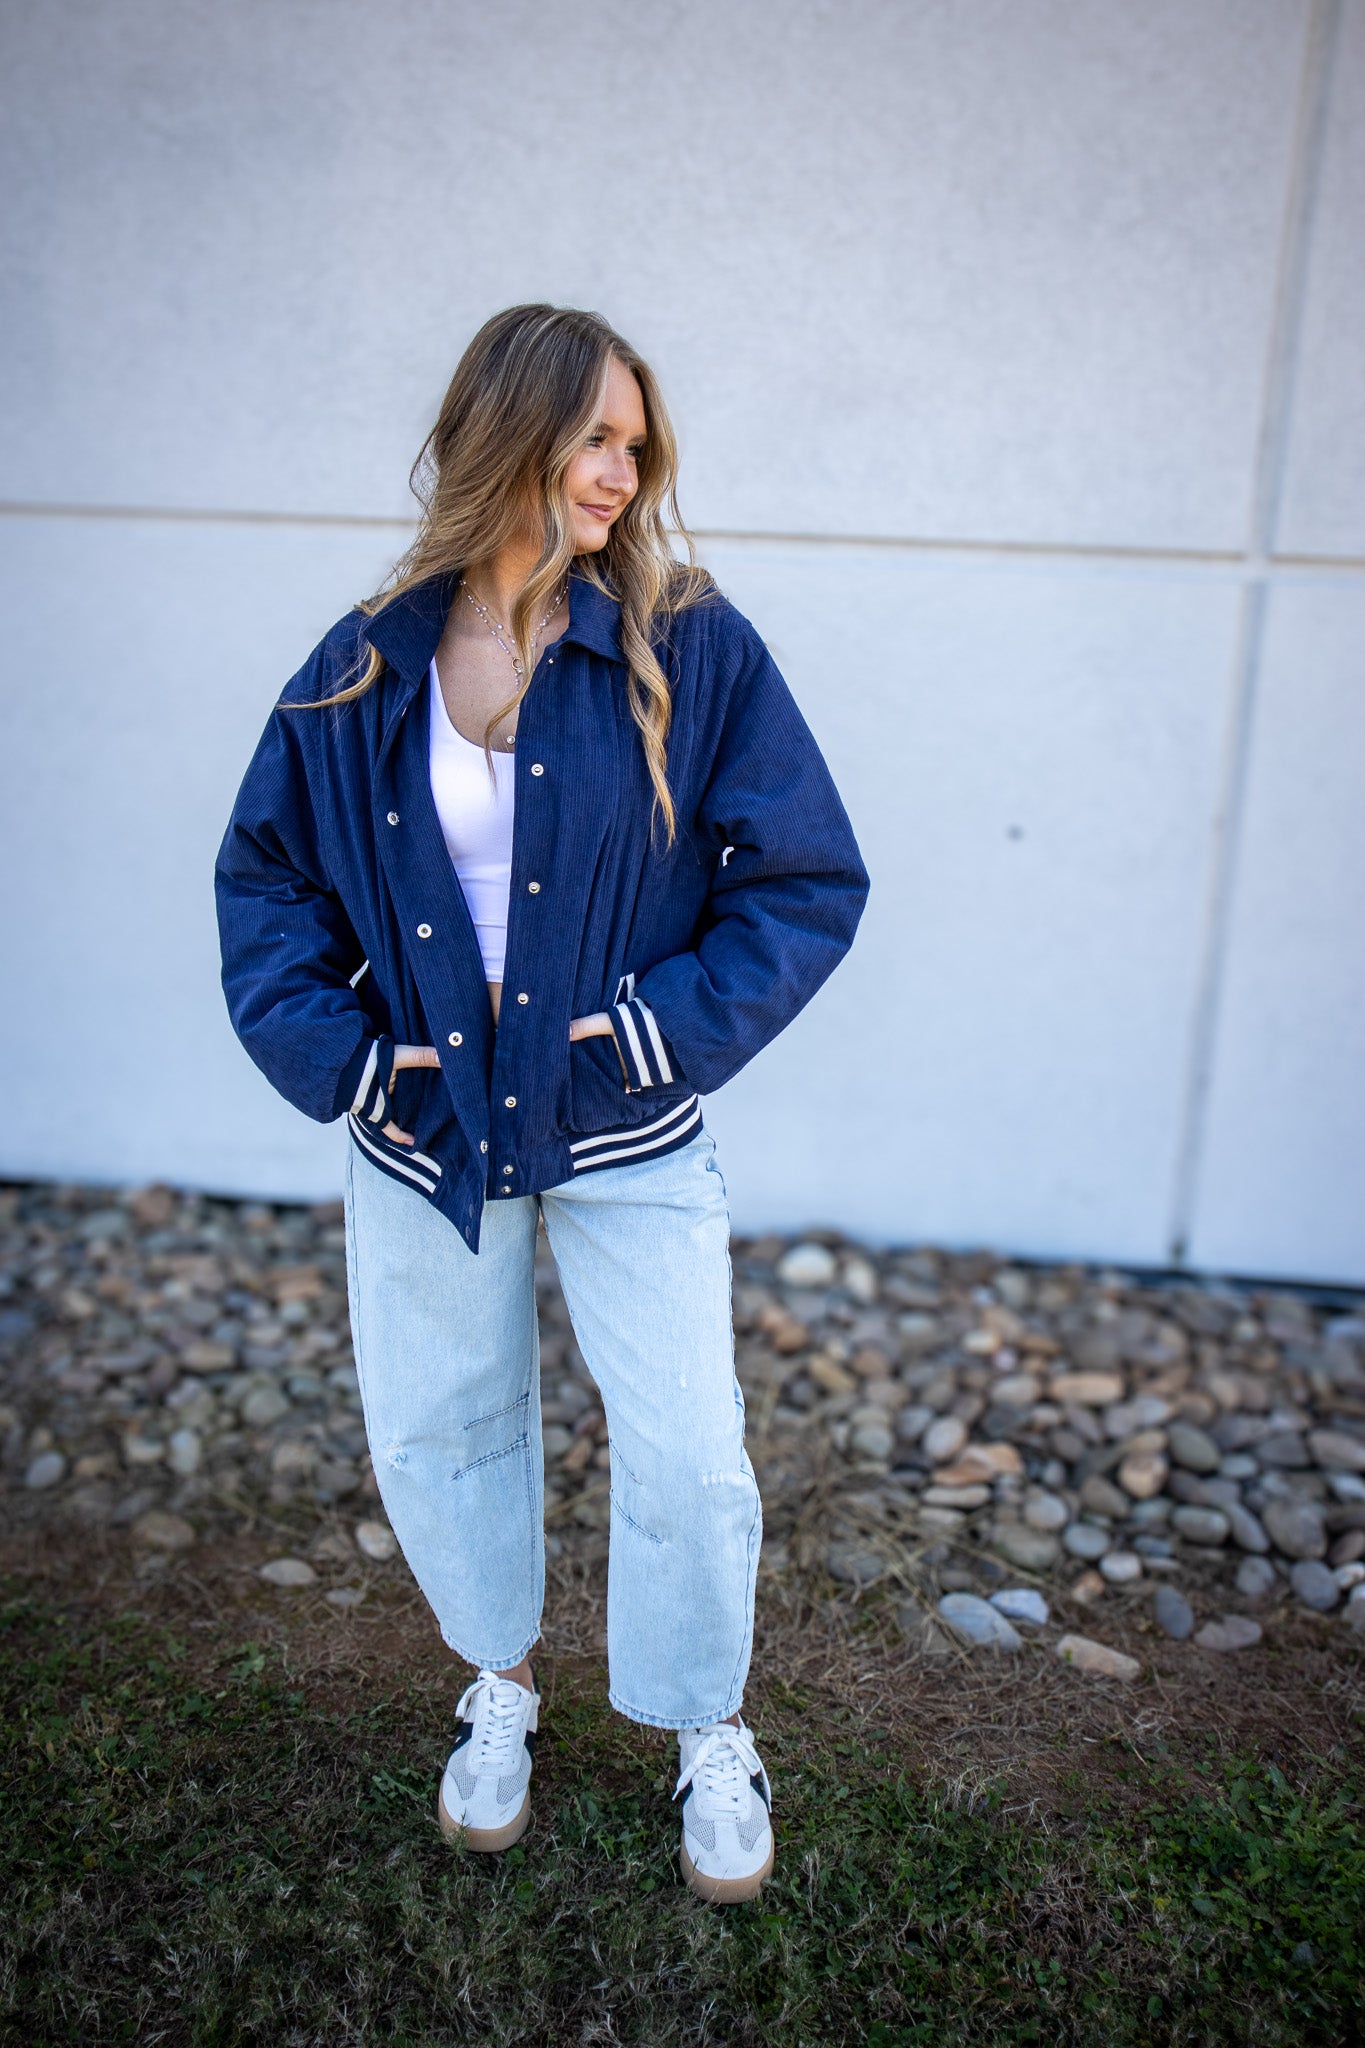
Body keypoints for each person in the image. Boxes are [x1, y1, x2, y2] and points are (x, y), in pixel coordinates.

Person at [216, 303, 868, 1903]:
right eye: (592, 438)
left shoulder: (686, 640)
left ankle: (705, 1721)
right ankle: (499, 1685)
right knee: (445, 1426)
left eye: (634, 446)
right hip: (425, 1131)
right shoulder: (367, 656)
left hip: (621, 1120)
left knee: (689, 1448)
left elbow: (803, 878)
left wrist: (656, 1029)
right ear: (507, 432)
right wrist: (346, 1056)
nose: (618, 474)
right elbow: (266, 880)